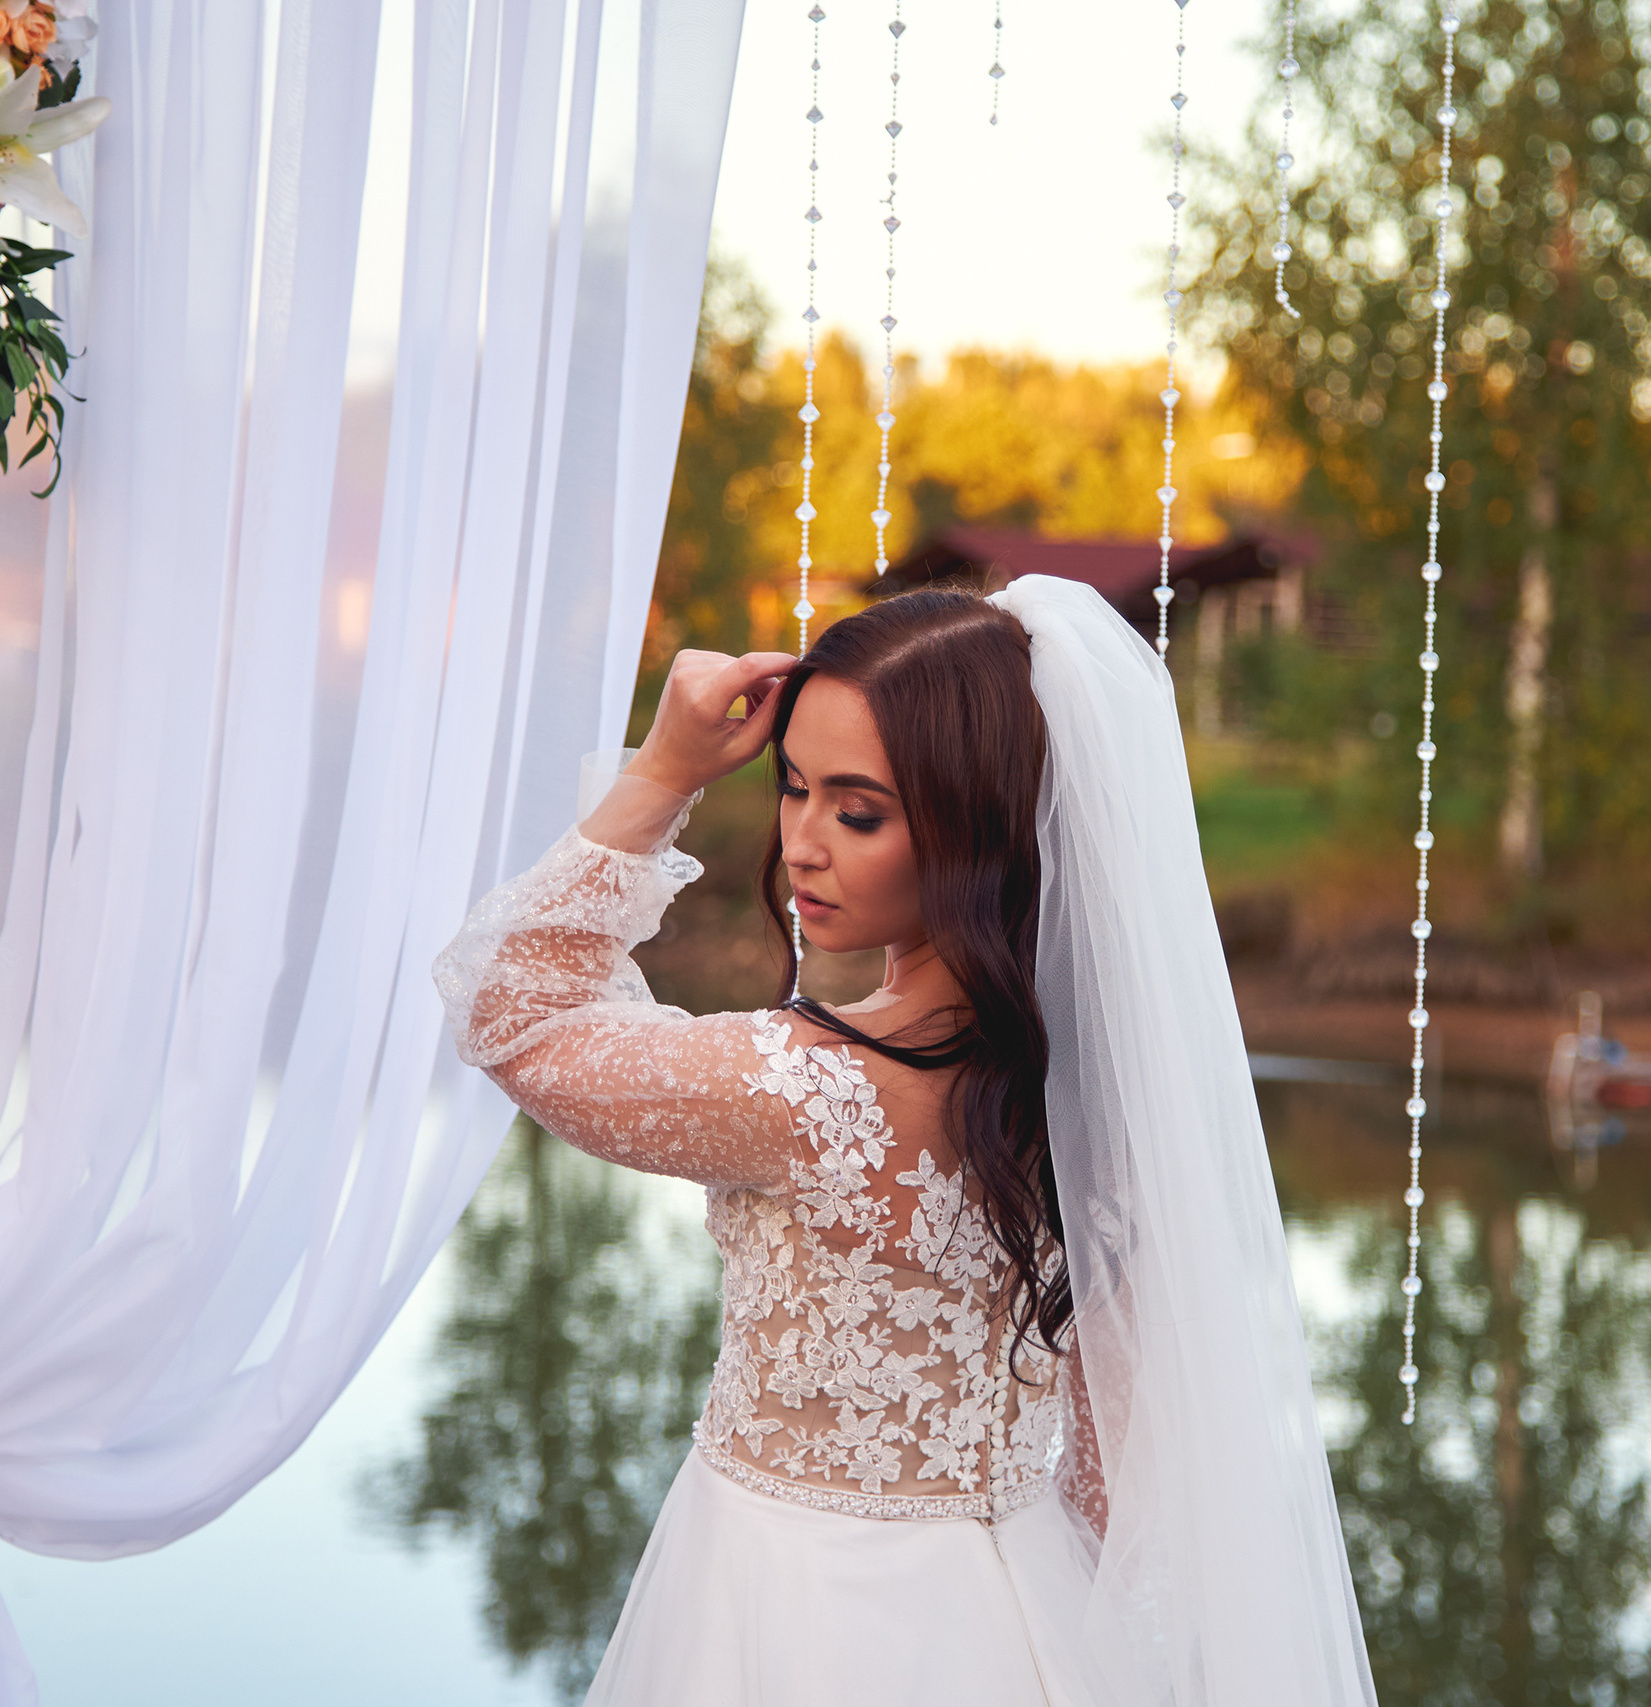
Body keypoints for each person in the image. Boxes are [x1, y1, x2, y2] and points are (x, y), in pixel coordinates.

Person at [434, 578, 1375, 1706]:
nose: (801, 845)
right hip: (1019, 1607)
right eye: (793, 788)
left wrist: (666, 770)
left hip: (791, 1608)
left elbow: (508, 1006)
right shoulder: (1091, 1088)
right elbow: (1109, 1478)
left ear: (979, 827)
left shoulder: (798, 1089)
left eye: (859, 813)